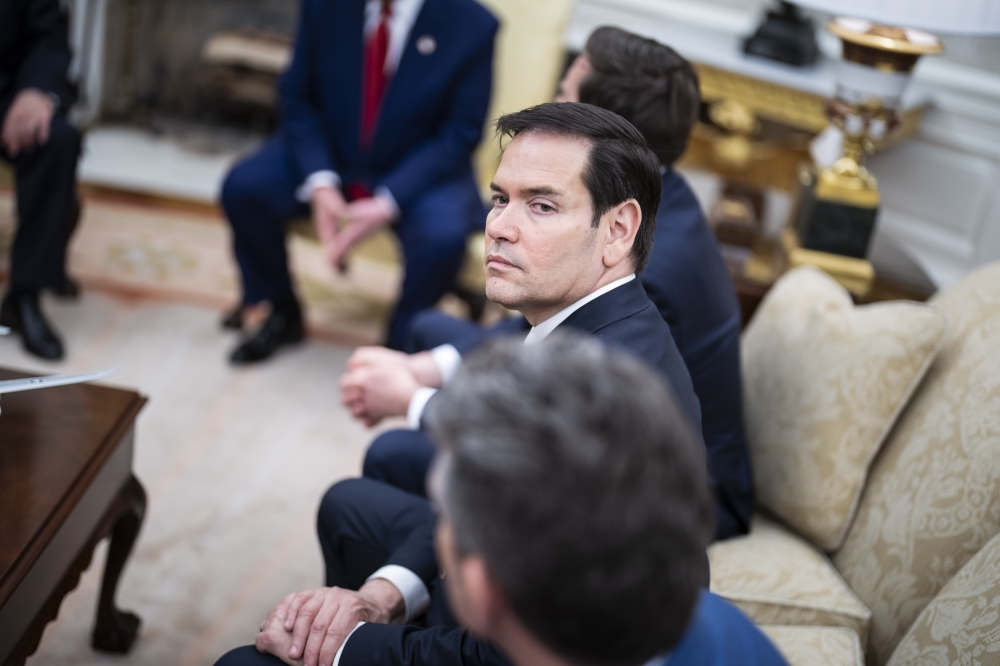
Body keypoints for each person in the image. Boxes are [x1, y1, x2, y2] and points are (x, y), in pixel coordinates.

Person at [353, 27, 753, 540]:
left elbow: (558, 421)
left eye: (566, 96)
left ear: (605, 127)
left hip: (664, 497)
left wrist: (413, 399)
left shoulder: (644, 266)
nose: (554, 106)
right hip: (577, 398)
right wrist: (428, 367)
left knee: (389, 457)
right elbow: (546, 333)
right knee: (429, 330)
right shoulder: (661, 195)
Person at [213, 337, 787, 666]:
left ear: (483, 590)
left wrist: (348, 647)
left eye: (447, 516)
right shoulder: (723, 628)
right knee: (352, 508)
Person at [221, 0, 498, 363]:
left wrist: (387, 201)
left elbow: (460, 132)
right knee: (245, 188)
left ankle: (400, 344)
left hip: (419, 164)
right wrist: (320, 181)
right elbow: (297, 94)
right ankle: (281, 311)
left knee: (441, 237)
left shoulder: (473, 23)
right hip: (332, 150)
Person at [0, 0, 82, 360]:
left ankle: (24, 295)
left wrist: (37, 92)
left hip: (9, 93)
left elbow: (48, 35)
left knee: (57, 141)